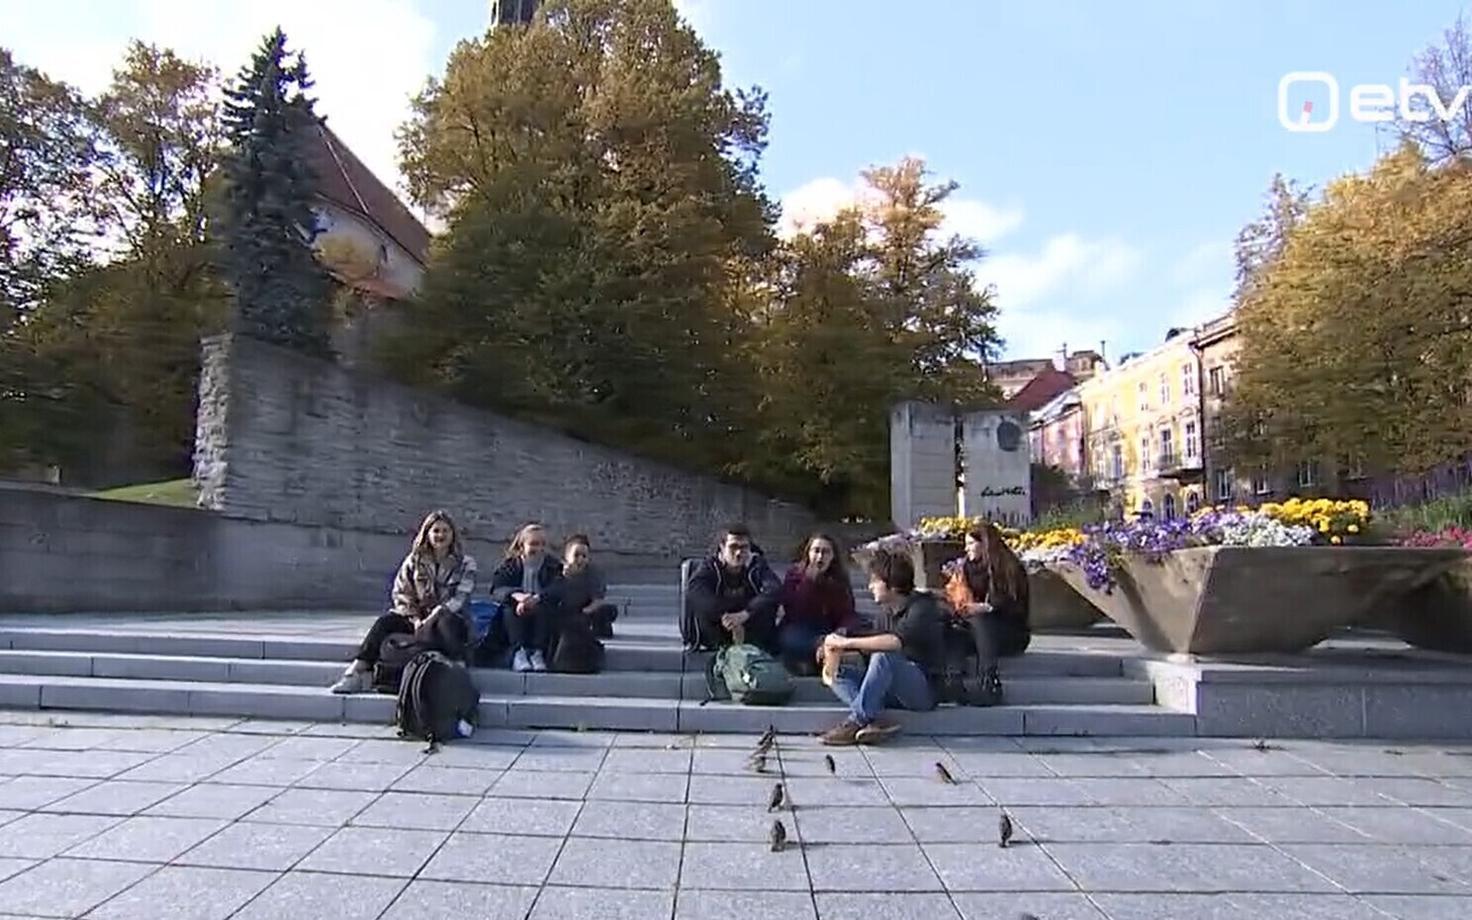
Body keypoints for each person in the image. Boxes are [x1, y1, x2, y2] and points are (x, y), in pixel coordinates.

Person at [330, 510, 477, 694]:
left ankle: (459, 674)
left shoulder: (466, 563)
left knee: (448, 624)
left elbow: (460, 598)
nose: (440, 535)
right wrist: (415, 619)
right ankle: (355, 672)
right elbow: (401, 593)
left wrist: (435, 615)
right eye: (436, 531)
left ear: (452, 534)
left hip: (448, 618)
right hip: (417, 618)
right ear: (428, 534)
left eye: (445, 531)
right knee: (385, 622)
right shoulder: (414, 560)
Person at [818, 548, 943, 746]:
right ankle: (873, 720)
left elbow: (895, 642)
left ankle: (856, 721)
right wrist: (834, 648)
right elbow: (868, 641)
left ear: (892, 585)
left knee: (884, 657)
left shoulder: (922, 608)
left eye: (874, 581)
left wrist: (846, 643)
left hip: (922, 690)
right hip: (891, 689)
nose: (870, 586)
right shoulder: (884, 615)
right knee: (836, 672)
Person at [943, 522, 1032, 705]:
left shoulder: (1009, 567)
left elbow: (1016, 606)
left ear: (985, 544)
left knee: (980, 618)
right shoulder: (966, 568)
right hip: (979, 633)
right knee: (957, 630)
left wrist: (988, 607)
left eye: (970, 543)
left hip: (1010, 632)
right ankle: (953, 682)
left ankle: (989, 681)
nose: (966, 549)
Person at [684, 524, 782, 651]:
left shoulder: (757, 565)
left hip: (749, 625)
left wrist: (746, 613)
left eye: (744, 547)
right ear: (722, 547)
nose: (738, 553)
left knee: (768, 605)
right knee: (703, 606)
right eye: (733, 547)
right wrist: (726, 618)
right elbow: (695, 590)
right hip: (719, 628)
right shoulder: (710, 566)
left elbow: (774, 589)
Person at [777, 533, 859, 674]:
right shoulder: (795, 574)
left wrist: (843, 628)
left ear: (833, 556)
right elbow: (793, 608)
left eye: (825, 552)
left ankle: (816, 659)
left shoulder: (840, 579)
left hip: (828, 627)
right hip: (799, 626)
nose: (820, 556)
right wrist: (809, 581)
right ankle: (820, 654)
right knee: (788, 639)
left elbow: (848, 611)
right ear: (808, 553)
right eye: (816, 551)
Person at [490, 523, 566, 672]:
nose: (538, 549)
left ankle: (537, 653)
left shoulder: (553, 565)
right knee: (508, 610)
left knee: (545, 607)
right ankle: (519, 652)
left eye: (542, 544)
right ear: (522, 546)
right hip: (517, 611)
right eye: (533, 544)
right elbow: (497, 589)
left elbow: (558, 588)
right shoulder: (510, 565)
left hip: (542, 610)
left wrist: (537, 598)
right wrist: (518, 596)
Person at [562, 534, 618, 638]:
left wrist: (585, 612)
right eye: (576, 555)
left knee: (607, 610)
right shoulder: (557, 571)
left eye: (584, 556)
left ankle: (600, 628)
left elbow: (598, 599)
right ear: (567, 556)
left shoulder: (594, 572)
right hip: (566, 609)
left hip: (586, 607)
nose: (580, 559)